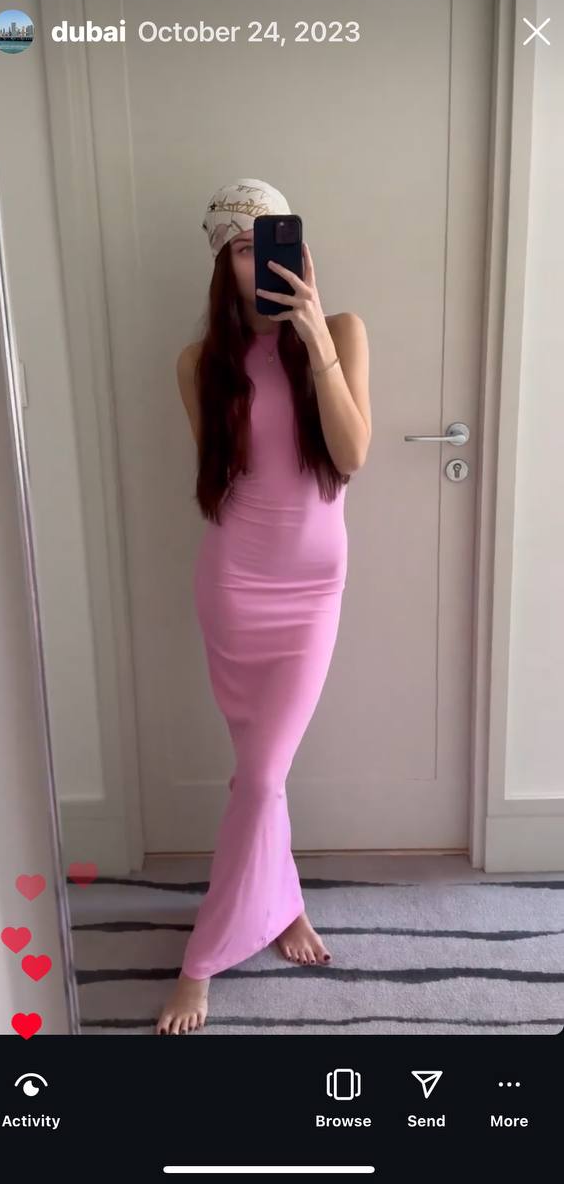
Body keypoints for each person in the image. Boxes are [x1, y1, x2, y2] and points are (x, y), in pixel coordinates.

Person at [156, 178, 371, 1035]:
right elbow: (219, 475)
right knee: (260, 773)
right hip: (235, 587)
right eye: (243, 248)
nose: (260, 261)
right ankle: (281, 907)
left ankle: (201, 959)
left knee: (262, 773)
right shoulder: (197, 363)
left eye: (273, 241)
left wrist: (313, 338)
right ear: (223, 263)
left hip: (312, 594)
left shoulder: (342, 330)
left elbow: (351, 456)